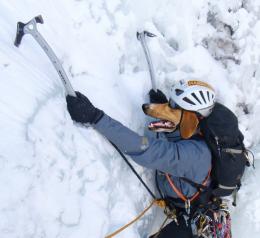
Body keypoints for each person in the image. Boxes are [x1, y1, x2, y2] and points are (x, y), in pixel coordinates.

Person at [66, 80, 216, 237]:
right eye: (170, 103)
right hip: (191, 210)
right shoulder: (192, 133)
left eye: (173, 107)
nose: (167, 108)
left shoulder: (192, 154)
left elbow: (144, 147)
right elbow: (165, 134)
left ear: (191, 120)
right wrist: (161, 109)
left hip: (197, 222)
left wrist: (96, 118)